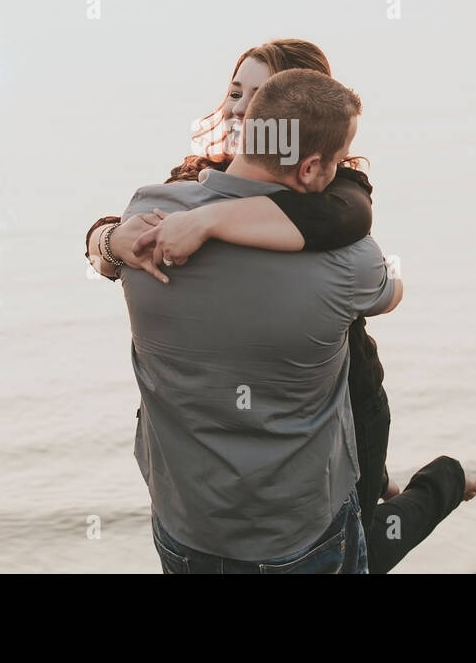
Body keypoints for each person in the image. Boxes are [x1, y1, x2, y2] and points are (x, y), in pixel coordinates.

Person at [85, 40, 476, 572]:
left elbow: (348, 218)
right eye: (235, 91)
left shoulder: (330, 205)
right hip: (246, 486)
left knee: (354, 517)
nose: (241, 109)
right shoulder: (170, 200)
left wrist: (206, 222)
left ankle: (428, 485)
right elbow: (386, 284)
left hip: (328, 418)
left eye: (260, 95)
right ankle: (433, 485)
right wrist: (108, 240)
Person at [116, 68, 393, 571]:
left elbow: (109, 244)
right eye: (335, 165)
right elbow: (389, 294)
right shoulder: (350, 260)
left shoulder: (146, 216)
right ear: (311, 169)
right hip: (299, 529)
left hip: (184, 522)